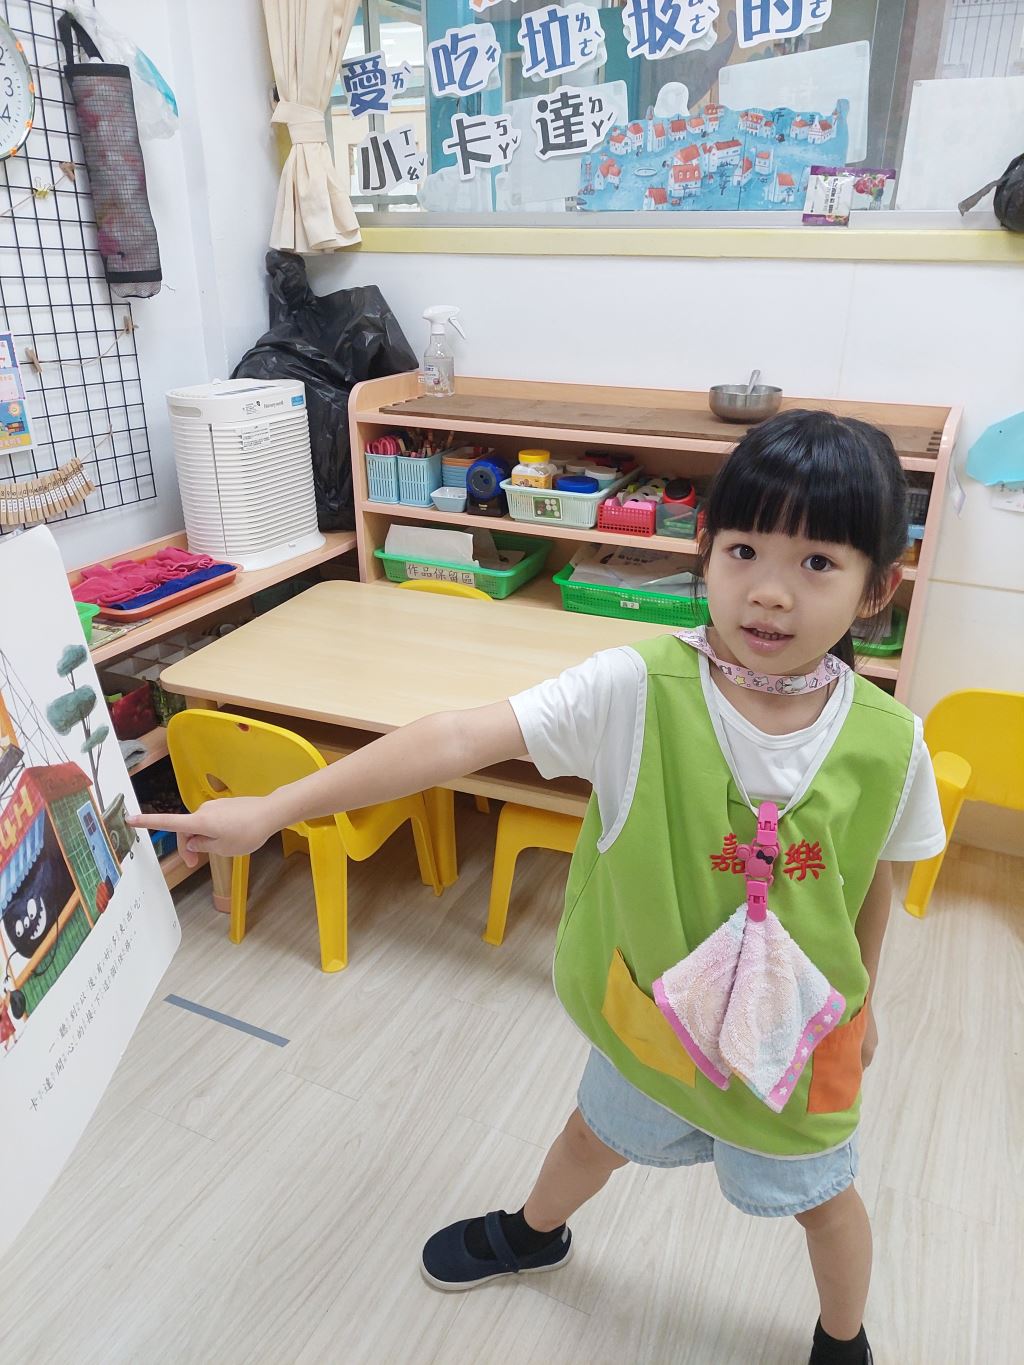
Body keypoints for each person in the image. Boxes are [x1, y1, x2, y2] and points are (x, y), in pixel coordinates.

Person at [131, 411, 945, 1365]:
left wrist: (867, 999)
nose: (769, 589)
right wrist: (275, 808)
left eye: (817, 562)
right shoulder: (636, 687)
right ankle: (534, 1231)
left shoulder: (892, 742)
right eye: (743, 549)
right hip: (657, 1015)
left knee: (825, 1203)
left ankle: (843, 1340)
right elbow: (455, 737)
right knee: (595, 1133)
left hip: (799, 1036)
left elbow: (869, 878)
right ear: (705, 550)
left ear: (877, 587)